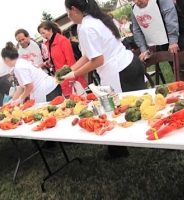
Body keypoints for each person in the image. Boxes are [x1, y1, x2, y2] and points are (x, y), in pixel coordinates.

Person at [63, 0, 147, 159]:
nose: (68, 16)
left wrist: (74, 75)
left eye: (67, 12)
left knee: (118, 109)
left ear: (74, 9)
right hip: (130, 63)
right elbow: (87, 55)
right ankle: (120, 148)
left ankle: (120, 149)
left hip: (121, 71)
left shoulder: (87, 28)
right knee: (142, 102)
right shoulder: (93, 20)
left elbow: (97, 60)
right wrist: (70, 70)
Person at [131, 0, 184, 80]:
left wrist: (173, 41)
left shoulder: (162, 1)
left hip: (178, 35)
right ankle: (182, 81)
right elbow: (137, 30)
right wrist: (143, 49)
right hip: (162, 40)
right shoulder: (135, 9)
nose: (137, 2)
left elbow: (170, 20)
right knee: (175, 68)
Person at [38, 21, 87, 97]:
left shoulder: (62, 40)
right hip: (61, 77)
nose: (42, 35)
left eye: (43, 32)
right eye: (41, 33)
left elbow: (71, 60)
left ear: (50, 30)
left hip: (70, 77)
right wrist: (49, 63)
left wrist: (72, 77)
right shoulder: (47, 44)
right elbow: (55, 58)